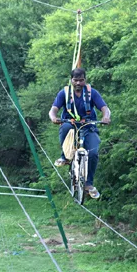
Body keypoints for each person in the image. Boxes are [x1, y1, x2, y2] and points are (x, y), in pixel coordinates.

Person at [48, 68, 111, 199]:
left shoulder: (92, 93)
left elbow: (104, 108)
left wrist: (106, 117)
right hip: (70, 123)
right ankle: (65, 156)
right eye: (75, 80)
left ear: (85, 80)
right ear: (71, 80)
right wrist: (53, 117)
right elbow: (53, 109)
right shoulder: (64, 93)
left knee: (93, 153)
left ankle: (89, 184)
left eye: (81, 80)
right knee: (65, 128)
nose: (78, 83)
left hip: (89, 126)